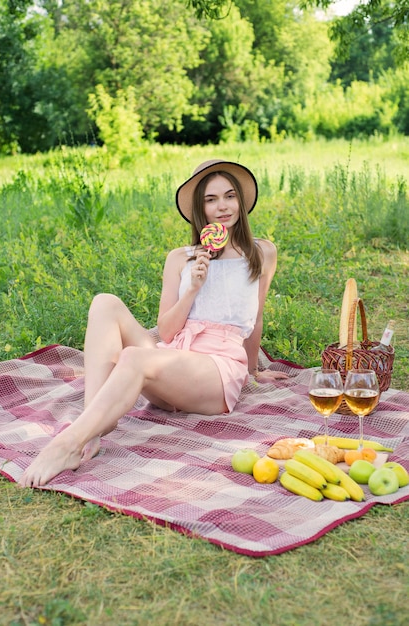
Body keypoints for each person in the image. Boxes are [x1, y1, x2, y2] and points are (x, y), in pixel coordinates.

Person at [20, 159, 288, 488]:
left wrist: (253, 370)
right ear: (199, 209)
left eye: (229, 196)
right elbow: (167, 333)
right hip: (174, 357)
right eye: (210, 199)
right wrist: (192, 289)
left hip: (215, 374)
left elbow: (256, 316)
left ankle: (66, 445)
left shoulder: (262, 253)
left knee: (133, 357)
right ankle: (91, 430)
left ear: (241, 202)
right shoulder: (181, 258)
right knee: (105, 302)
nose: (222, 207)